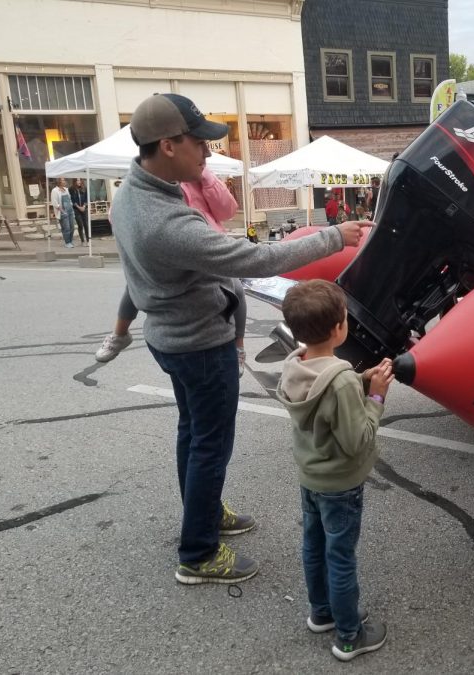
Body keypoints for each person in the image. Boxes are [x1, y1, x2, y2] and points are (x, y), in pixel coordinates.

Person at [109, 92, 366, 585]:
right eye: (199, 145)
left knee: (193, 434)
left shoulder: (134, 194)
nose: (207, 155)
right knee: (210, 445)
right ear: (167, 145)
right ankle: (198, 553)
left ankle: (202, 513)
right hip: (199, 345)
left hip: (172, 338)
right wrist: (335, 236)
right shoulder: (165, 221)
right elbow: (255, 260)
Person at [277, 279, 393, 662]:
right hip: (341, 486)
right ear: (340, 327)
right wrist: (375, 396)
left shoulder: (296, 364)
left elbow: (326, 397)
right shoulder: (340, 379)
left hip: (310, 479)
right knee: (340, 556)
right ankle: (348, 636)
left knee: (314, 547)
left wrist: (361, 379)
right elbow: (358, 439)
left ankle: (322, 612)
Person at [95, 167, 249, 377]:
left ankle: (238, 347)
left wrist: (205, 177)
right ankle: (120, 333)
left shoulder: (200, 176)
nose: (204, 153)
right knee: (134, 285)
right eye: (197, 145)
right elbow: (121, 216)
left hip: (207, 242)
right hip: (170, 246)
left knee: (236, 288)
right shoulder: (149, 182)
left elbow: (227, 210)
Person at [50, 177, 74, 248]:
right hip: (62, 212)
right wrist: (62, 211)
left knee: (72, 227)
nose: (65, 181)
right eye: (63, 180)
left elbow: (69, 199)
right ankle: (67, 242)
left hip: (70, 211)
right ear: (59, 182)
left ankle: (70, 240)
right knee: (66, 228)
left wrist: (71, 207)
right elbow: (54, 202)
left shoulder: (66, 189)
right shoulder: (55, 190)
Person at [69, 178, 89, 244]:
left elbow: (87, 198)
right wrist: (78, 207)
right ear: (74, 181)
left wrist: (84, 206)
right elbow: (72, 200)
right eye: (77, 180)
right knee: (80, 225)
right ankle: (82, 241)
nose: (79, 181)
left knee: (86, 224)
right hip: (76, 209)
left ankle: (88, 240)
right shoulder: (71, 189)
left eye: (80, 180)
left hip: (84, 208)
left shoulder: (84, 188)